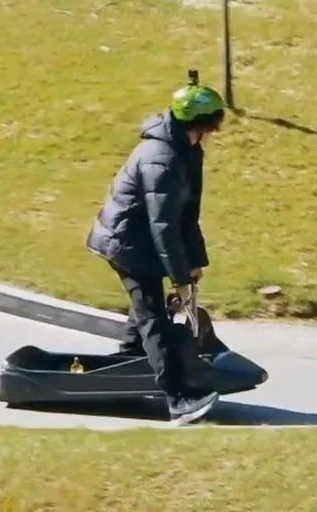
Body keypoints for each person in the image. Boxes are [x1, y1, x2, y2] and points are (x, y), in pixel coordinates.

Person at [86, 70, 225, 425]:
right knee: (153, 316)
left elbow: (186, 216)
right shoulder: (160, 159)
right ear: (196, 123)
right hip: (127, 242)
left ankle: (130, 361)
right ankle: (179, 400)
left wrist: (195, 263)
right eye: (210, 127)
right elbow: (162, 226)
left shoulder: (186, 149)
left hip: (144, 238)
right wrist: (178, 277)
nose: (213, 135)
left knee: (147, 310)